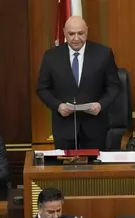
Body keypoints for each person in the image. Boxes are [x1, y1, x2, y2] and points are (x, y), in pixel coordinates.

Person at [36, 16, 120, 150]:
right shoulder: (51, 56)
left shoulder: (103, 53)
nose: (76, 38)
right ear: (64, 32)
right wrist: (58, 106)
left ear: (87, 31)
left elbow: (114, 86)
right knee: (64, 169)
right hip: (64, 126)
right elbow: (42, 88)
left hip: (95, 126)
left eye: (80, 33)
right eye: (71, 34)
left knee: (94, 170)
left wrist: (100, 105)